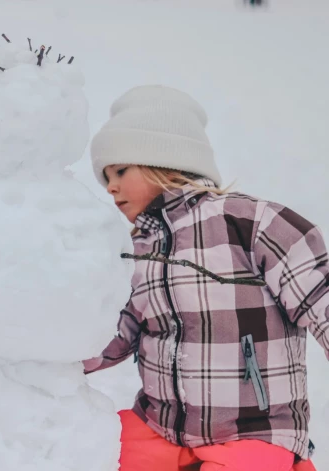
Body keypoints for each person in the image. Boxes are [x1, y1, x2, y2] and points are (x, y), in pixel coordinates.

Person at [85, 85, 321, 471]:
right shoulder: (133, 252)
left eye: (119, 171)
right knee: (91, 448)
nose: (110, 187)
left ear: (160, 159)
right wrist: (46, 352)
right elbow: (112, 336)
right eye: (105, 178)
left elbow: (320, 295)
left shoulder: (251, 223)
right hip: (160, 426)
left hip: (254, 429)